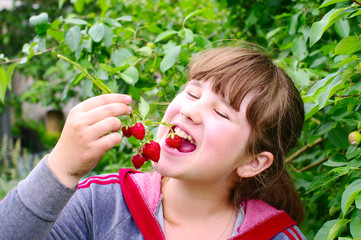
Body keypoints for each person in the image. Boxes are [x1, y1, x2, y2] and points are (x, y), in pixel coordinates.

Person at [0, 46, 306, 240]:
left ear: (252, 162)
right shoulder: (102, 205)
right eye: (192, 93)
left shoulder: (277, 235)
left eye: (220, 112)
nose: (190, 110)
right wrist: (61, 168)